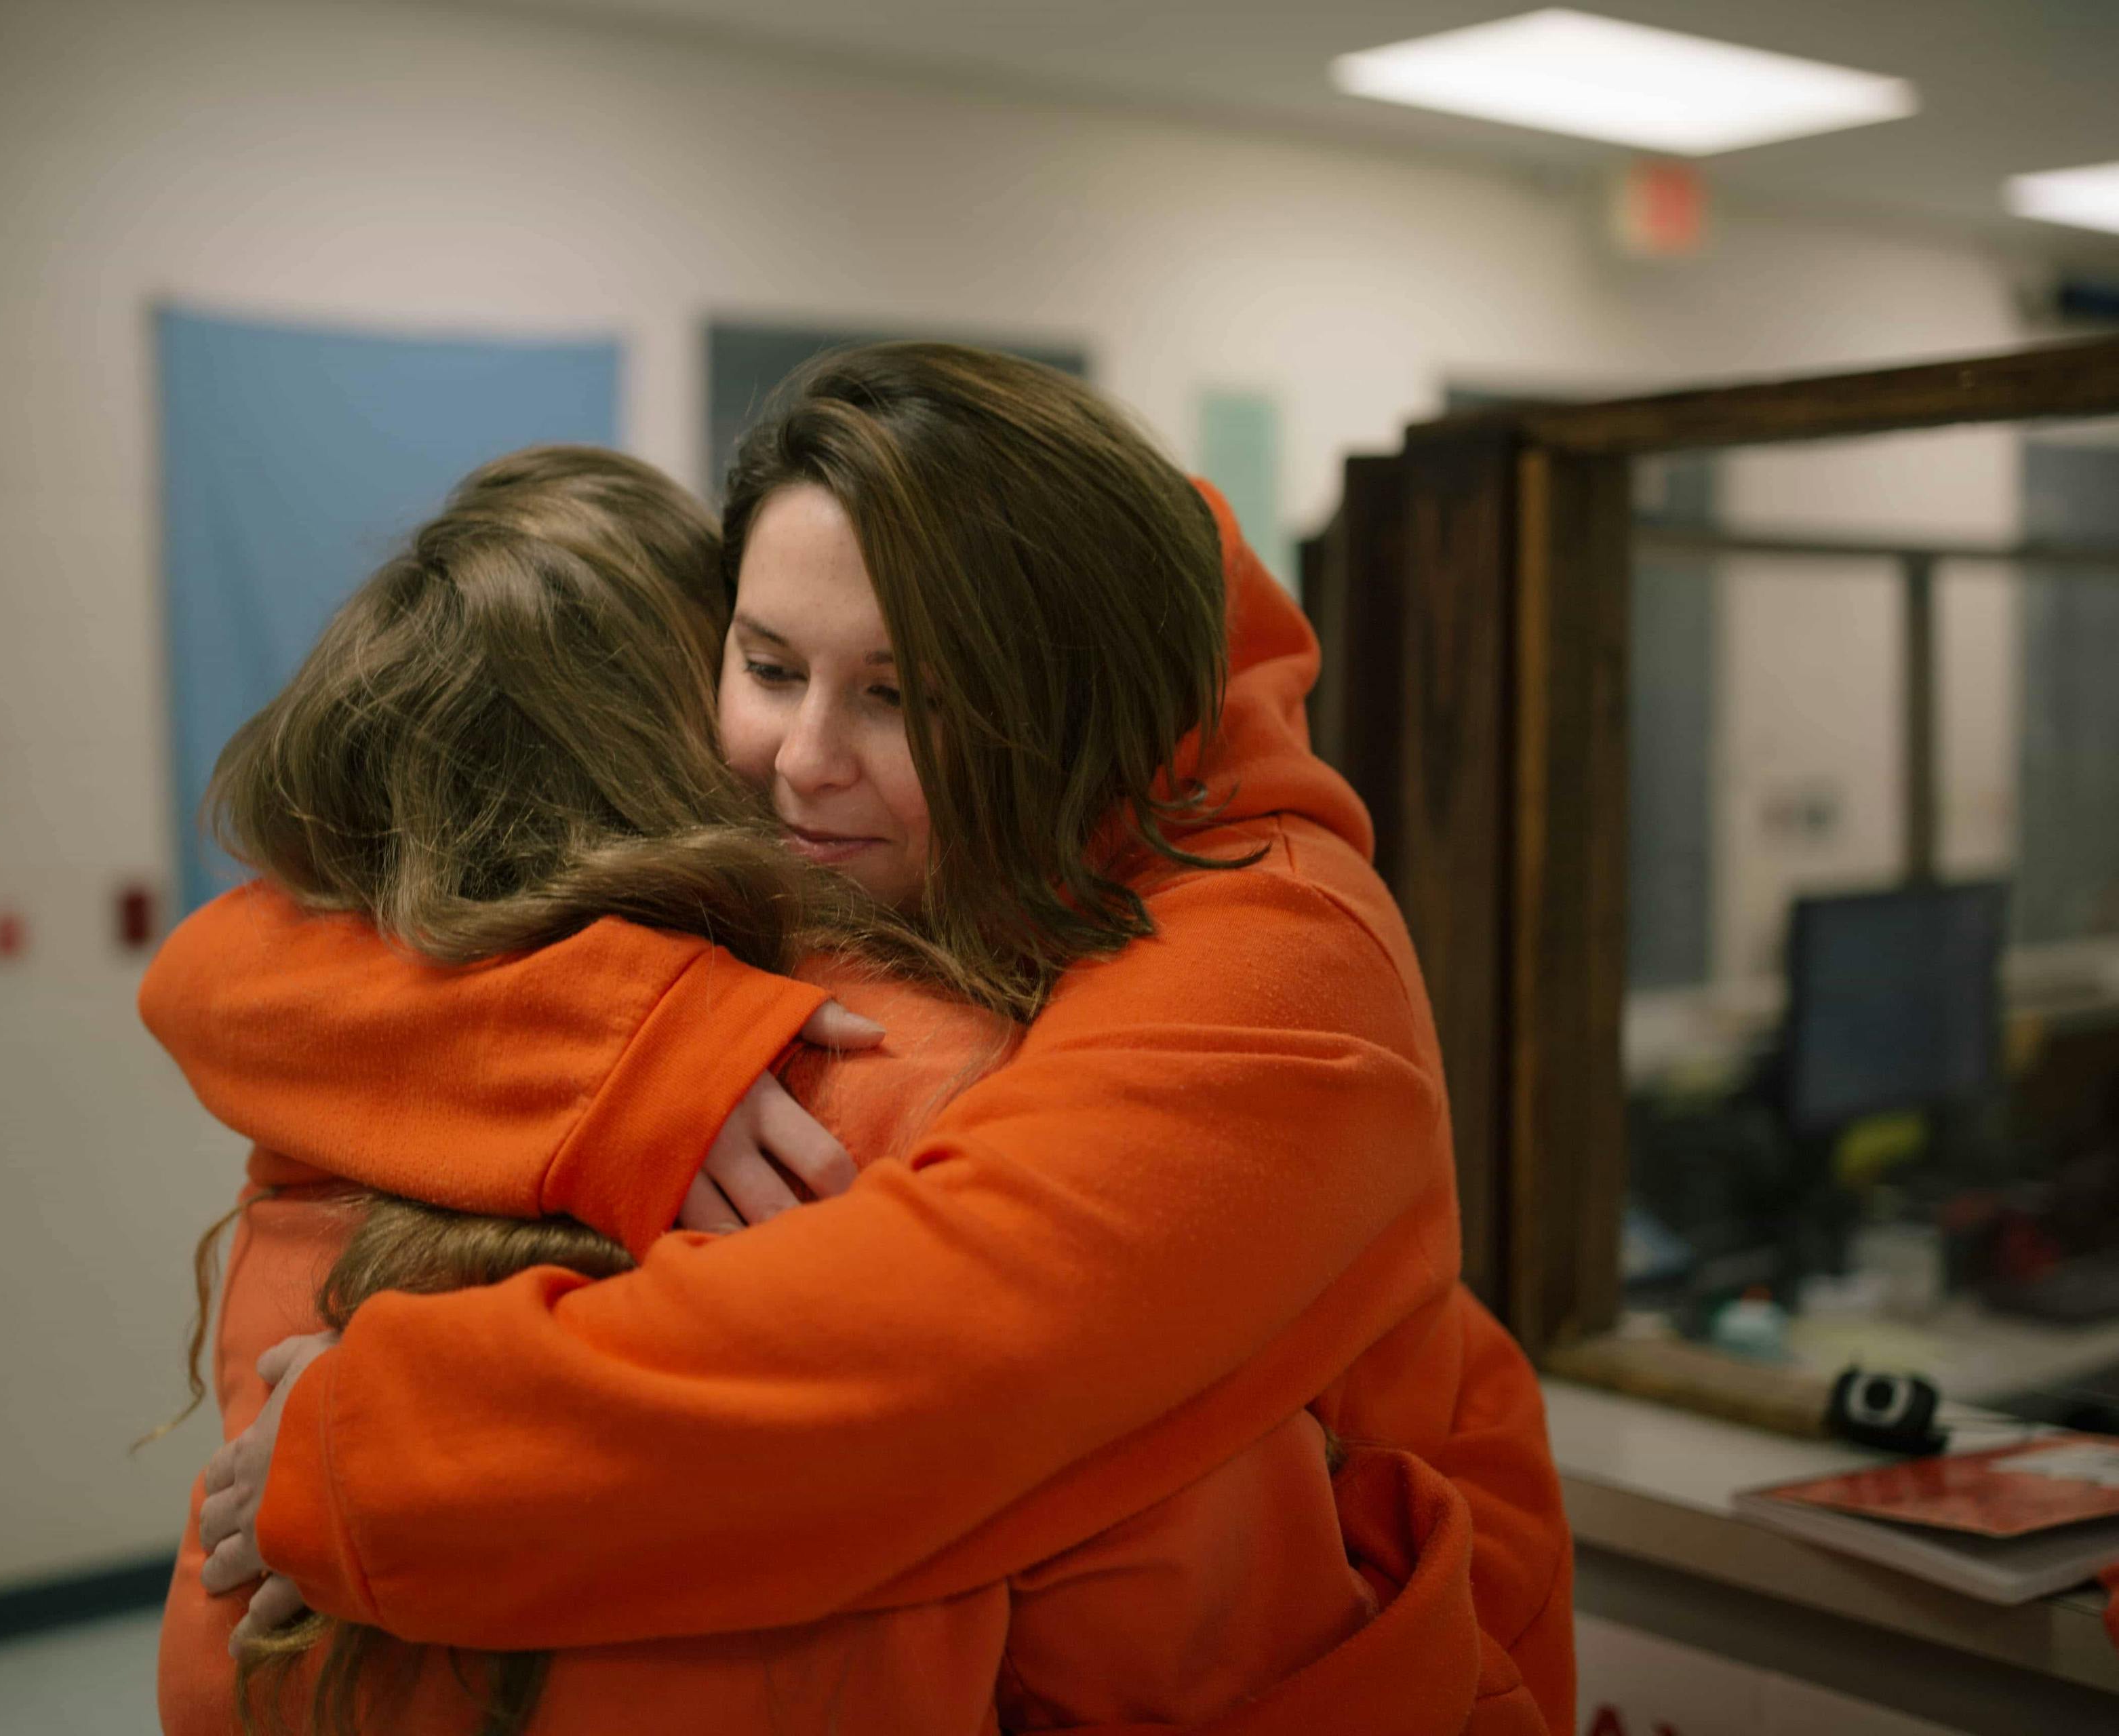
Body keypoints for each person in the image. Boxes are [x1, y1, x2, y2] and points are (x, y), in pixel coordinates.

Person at [151, 345, 1574, 1733]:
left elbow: (937, 1363)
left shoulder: (1280, 949)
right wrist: (632, 1055)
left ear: (1065, 702)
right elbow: (223, 967)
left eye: (904, 696)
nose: (804, 759)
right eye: (769, 666)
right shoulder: (838, 916)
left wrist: (373, 1455)